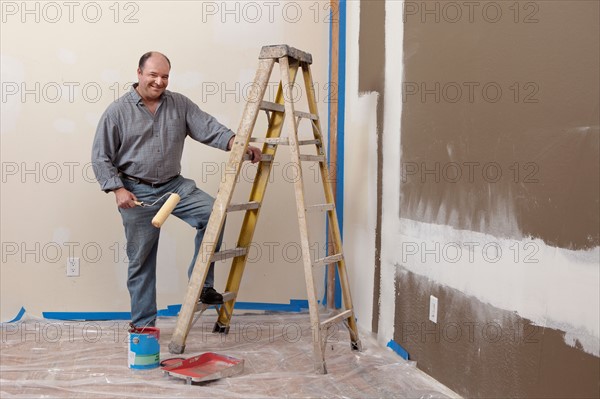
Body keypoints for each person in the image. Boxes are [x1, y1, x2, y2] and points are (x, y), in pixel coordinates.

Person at [91, 51, 261, 328]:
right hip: (136, 192)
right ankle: (144, 326)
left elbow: (209, 128)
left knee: (213, 215)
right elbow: (100, 157)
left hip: (175, 186)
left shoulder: (179, 104)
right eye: (153, 75)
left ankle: (203, 285)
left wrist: (238, 144)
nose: (159, 81)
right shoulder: (117, 111)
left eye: (165, 76)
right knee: (141, 261)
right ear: (139, 73)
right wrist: (117, 190)